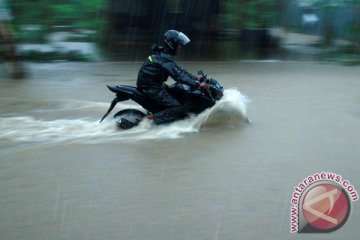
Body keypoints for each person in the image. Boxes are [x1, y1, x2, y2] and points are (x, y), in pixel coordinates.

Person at [137, 30, 208, 125]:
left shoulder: (165, 55)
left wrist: (196, 78)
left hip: (154, 84)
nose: (180, 48)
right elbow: (178, 76)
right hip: (151, 87)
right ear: (172, 45)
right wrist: (197, 84)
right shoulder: (165, 58)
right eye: (178, 45)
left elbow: (179, 70)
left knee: (176, 93)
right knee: (176, 107)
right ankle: (149, 120)